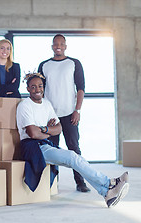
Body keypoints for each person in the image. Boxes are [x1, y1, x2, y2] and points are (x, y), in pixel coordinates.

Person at [16, 73, 129, 208]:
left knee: (77, 160)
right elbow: (32, 133)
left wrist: (44, 129)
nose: (37, 89)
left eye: (40, 86)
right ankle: (109, 183)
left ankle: (106, 193)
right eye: (33, 87)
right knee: (72, 157)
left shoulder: (46, 104)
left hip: (45, 144)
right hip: (32, 147)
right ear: (28, 89)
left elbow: (58, 128)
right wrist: (48, 130)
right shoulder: (25, 106)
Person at [38, 34, 90, 193]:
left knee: (74, 148)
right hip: (51, 117)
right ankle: (53, 183)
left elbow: (80, 88)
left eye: (61, 44)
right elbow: (40, 90)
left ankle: (80, 182)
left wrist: (77, 110)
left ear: (65, 46)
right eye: (55, 44)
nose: (58, 46)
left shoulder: (74, 63)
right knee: (52, 150)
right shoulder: (44, 65)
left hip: (69, 114)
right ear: (52, 46)